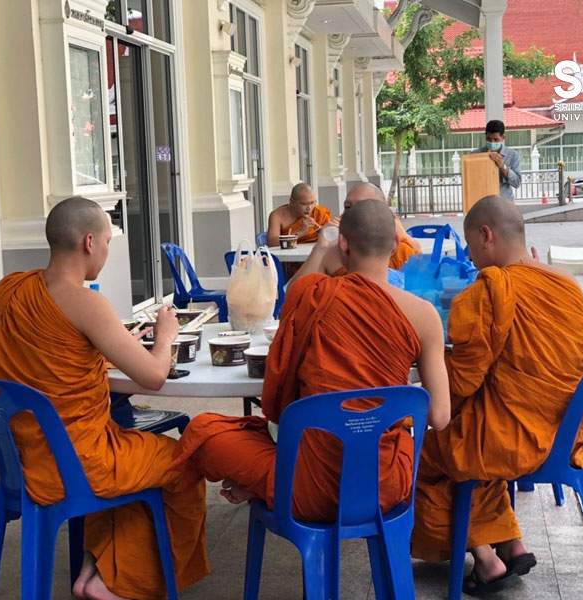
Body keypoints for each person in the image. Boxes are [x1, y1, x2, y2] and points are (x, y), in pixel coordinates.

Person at [171, 199, 451, 522]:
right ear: (394, 248)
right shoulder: (425, 316)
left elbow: (277, 398)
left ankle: (264, 485)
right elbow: (440, 416)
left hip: (308, 487)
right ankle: (269, 484)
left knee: (203, 434)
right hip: (384, 486)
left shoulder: (311, 293)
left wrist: (320, 250)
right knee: (400, 438)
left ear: (343, 244)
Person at [0, 197, 208, 600]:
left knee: (132, 448)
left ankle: (93, 574)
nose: (106, 251)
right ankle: (119, 585)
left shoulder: (9, 290)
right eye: (107, 241)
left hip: (23, 460)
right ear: (90, 242)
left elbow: (30, 362)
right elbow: (155, 376)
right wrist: (165, 337)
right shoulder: (87, 302)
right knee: (183, 462)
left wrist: (105, 347)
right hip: (77, 462)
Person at [410, 195, 583, 595]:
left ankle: (485, 558)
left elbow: (463, 382)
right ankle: (509, 542)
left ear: (486, 236)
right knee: (465, 438)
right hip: (565, 429)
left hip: (516, 437)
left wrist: (428, 392)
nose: (471, 258)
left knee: (423, 446)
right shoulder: (566, 284)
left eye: (471, 246)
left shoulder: (488, 291)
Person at [288, 182, 421, 286]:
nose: (353, 213)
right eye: (348, 207)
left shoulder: (401, 250)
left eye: (362, 207)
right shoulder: (331, 251)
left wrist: (402, 233)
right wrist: (320, 248)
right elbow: (294, 297)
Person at [266, 182, 336, 247]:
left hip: (318, 254)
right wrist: (300, 232)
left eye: (312, 203)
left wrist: (321, 230)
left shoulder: (320, 212)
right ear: (292, 202)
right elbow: (272, 243)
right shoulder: (277, 216)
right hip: (290, 257)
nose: (309, 208)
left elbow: (333, 239)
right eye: (304, 204)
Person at [472, 120, 522, 202]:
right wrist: (484, 161)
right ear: (485, 136)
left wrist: (503, 167)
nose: (492, 142)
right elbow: (471, 181)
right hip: (482, 204)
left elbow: (517, 183)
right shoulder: (475, 156)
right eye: (489, 139)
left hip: (505, 204)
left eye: (496, 139)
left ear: (503, 138)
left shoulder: (512, 155)